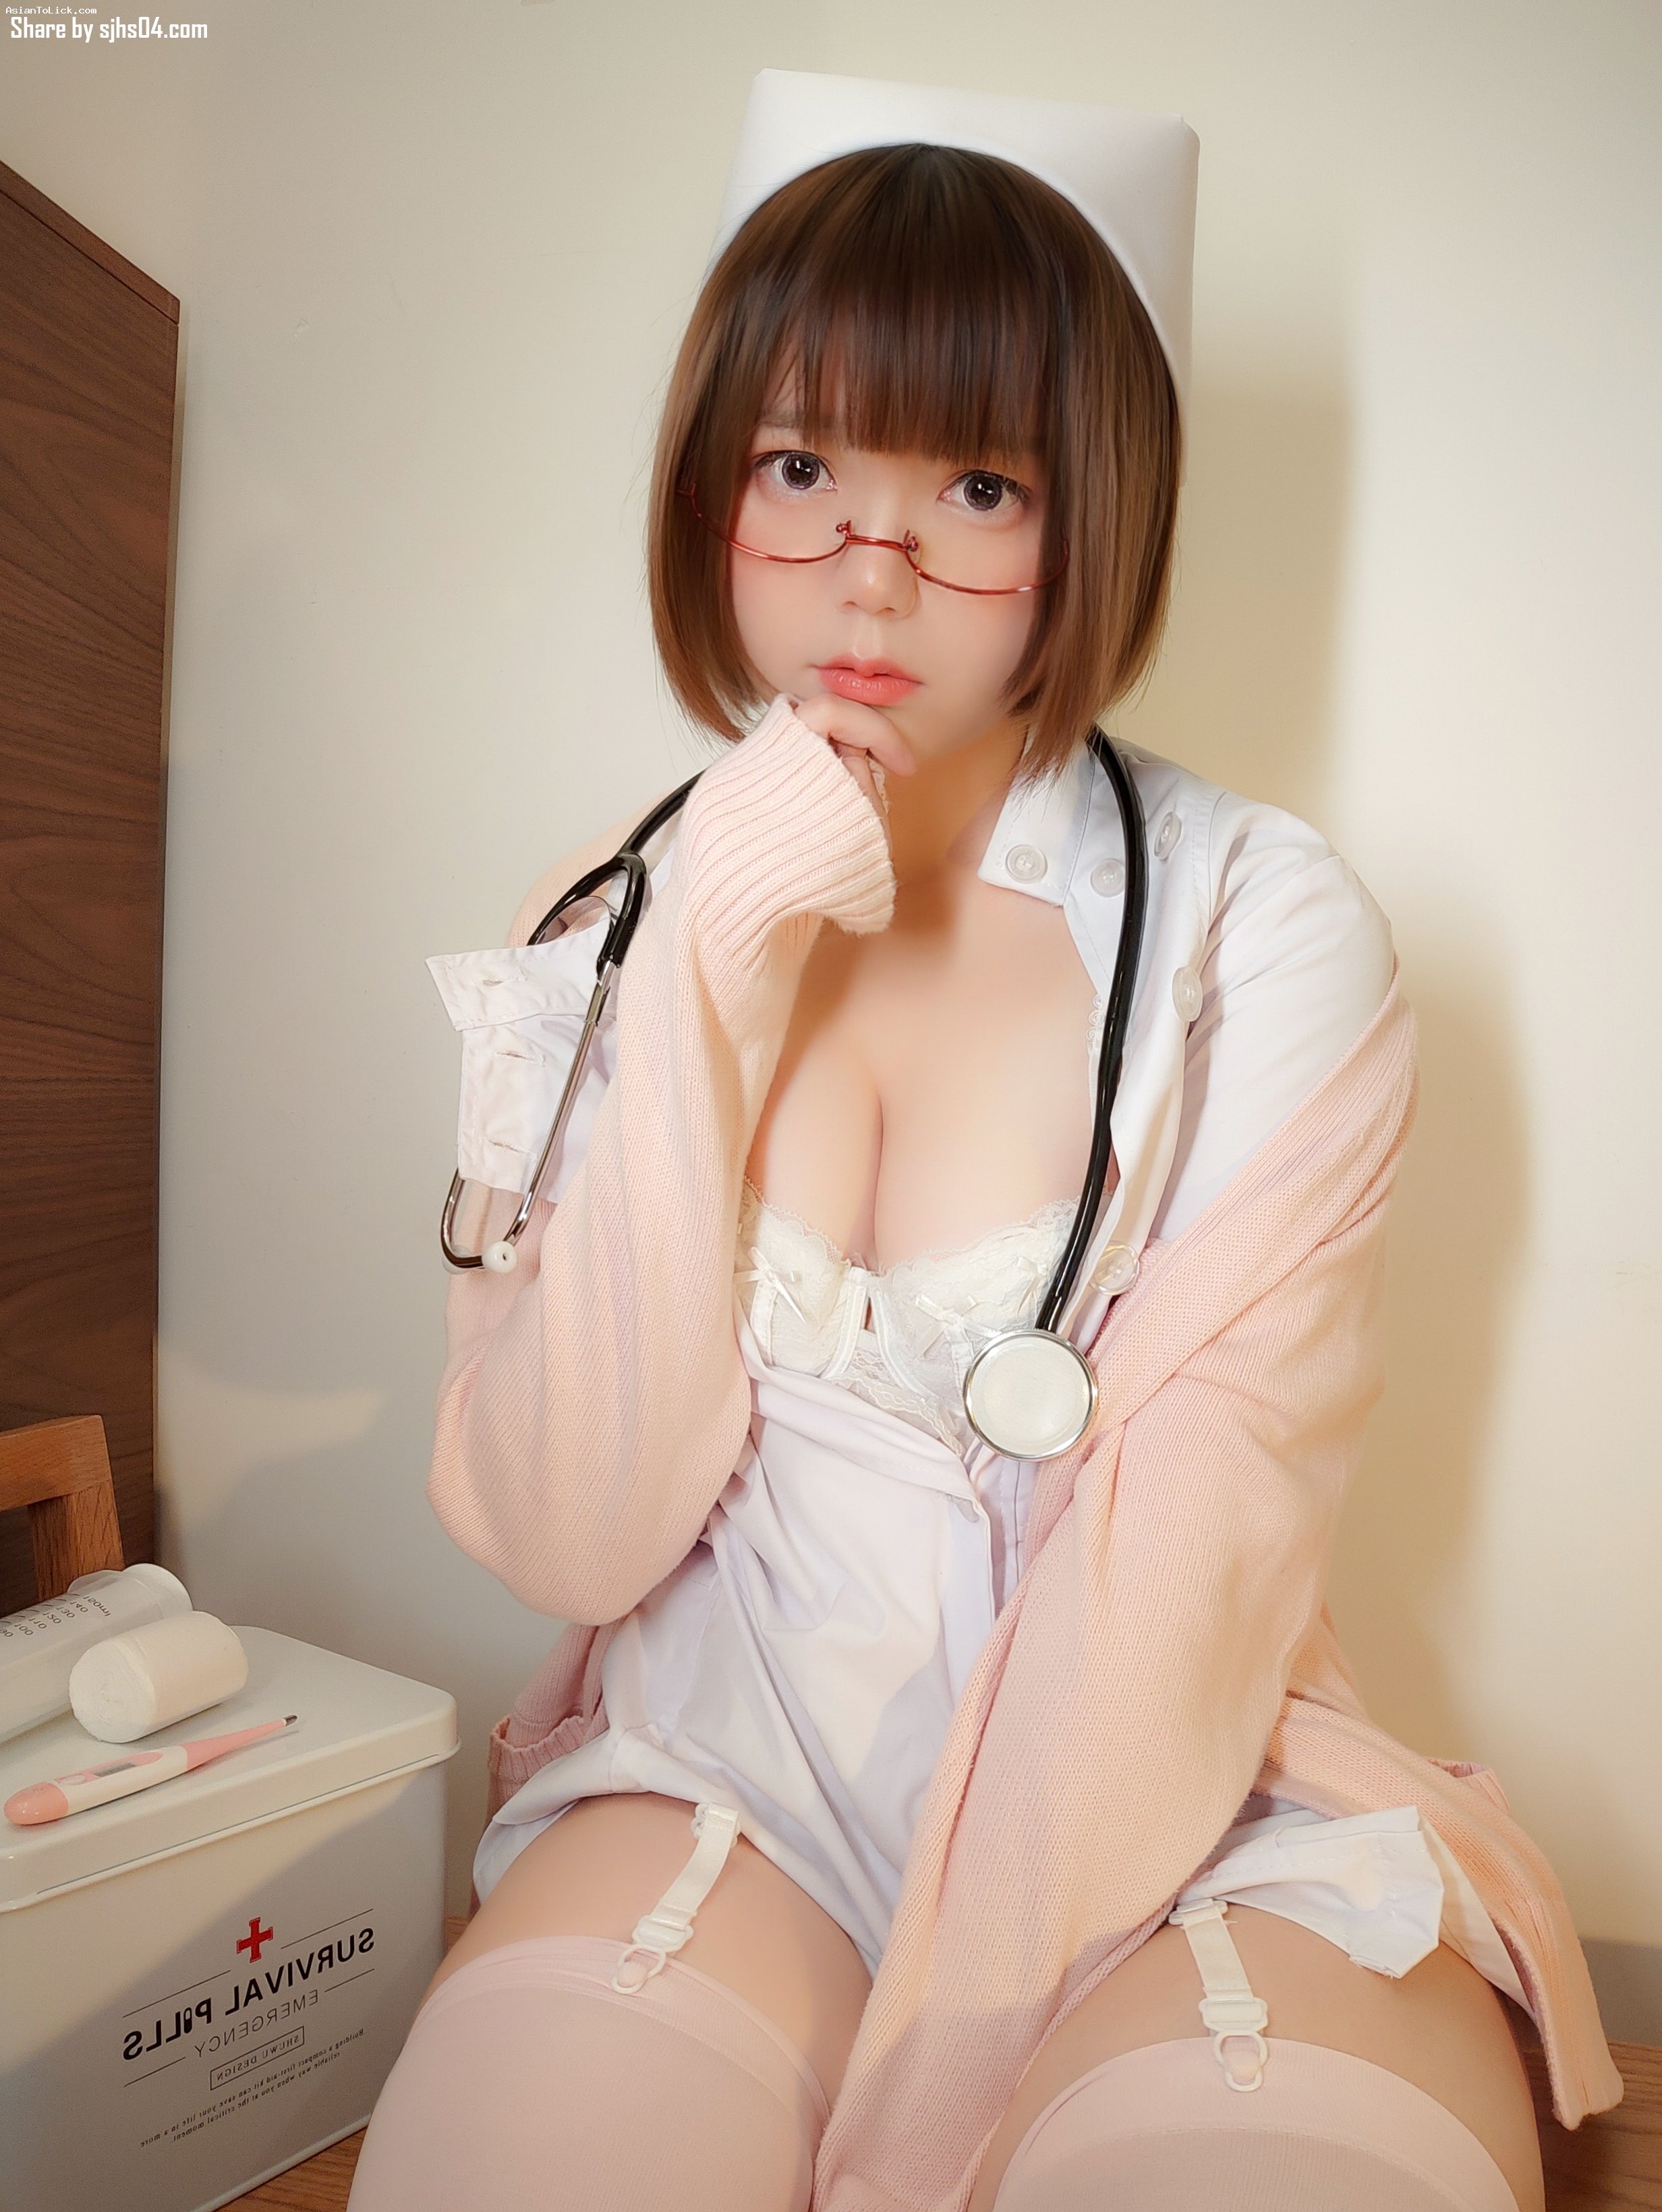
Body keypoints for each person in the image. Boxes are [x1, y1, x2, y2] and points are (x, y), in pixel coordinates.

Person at [349, 69, 1619, 2212]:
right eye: (801, 465)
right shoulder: (607, 920)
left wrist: (918, 2123)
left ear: (1088, 516)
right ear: (710, 481)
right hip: (720, 1779)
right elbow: (575, 1532)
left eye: (975, 484)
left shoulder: (1251, 926)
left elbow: (1184, 1570)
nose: (874, 572)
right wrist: (707, 957)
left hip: (1168, 1796)